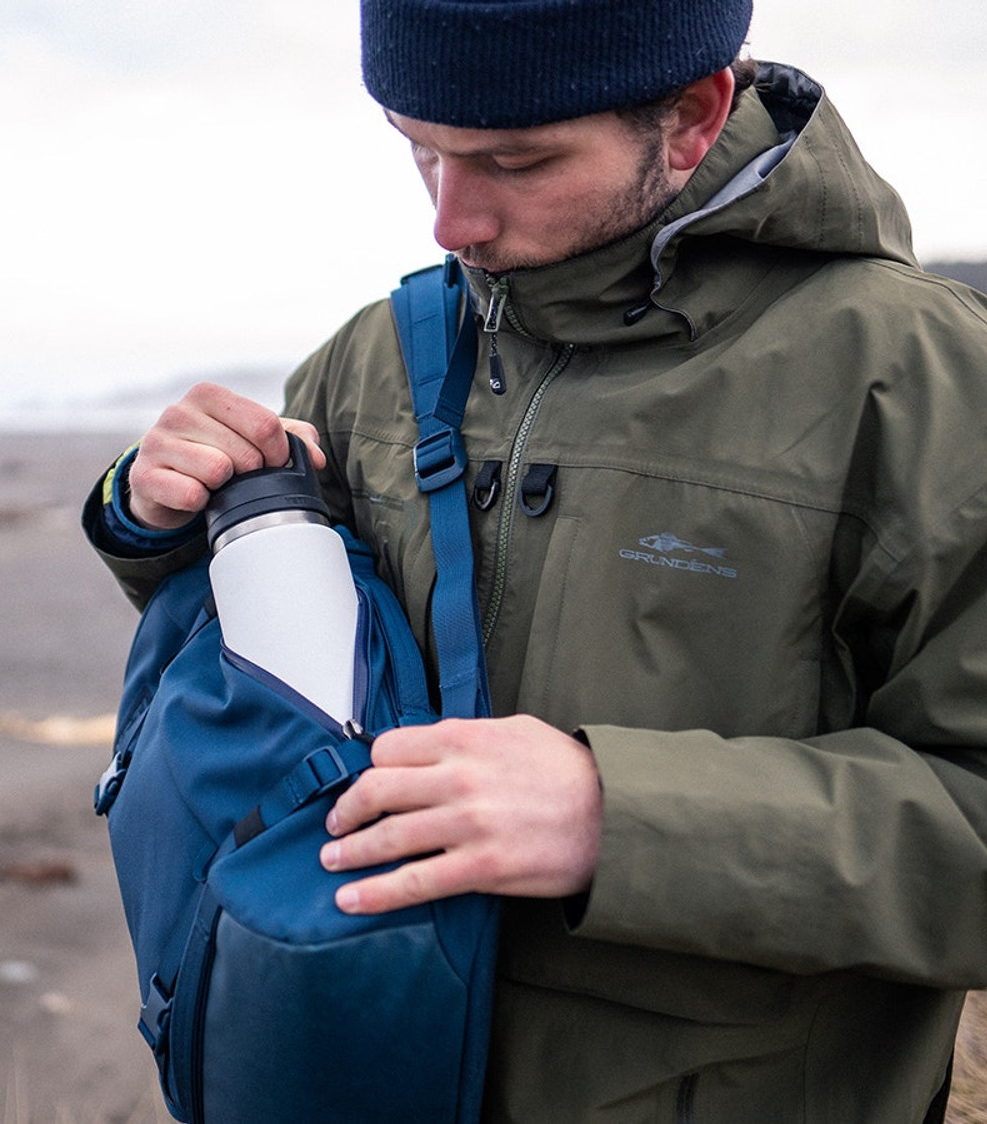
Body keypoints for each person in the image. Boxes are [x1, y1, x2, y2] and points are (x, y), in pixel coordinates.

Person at [82, 1, 987, 1119]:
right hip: (364, 1077)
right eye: (418, 149)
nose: (448, 220)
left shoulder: (925, 380)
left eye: (514, 160)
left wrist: (621, 814)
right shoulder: (373, 359)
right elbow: (268, 690)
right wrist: (168, 522)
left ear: (693, 115)